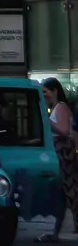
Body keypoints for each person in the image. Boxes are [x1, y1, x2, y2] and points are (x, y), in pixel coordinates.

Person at [47, 78, 78, 242]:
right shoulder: (57, 108)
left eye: (46, 91)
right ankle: (56, 230)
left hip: (65, 156)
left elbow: (64, 131)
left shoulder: (61, 107)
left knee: (69, 191)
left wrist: (48, 125)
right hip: (63, 155)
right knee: (67, 192)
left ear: (55, 91)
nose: (44, 95)